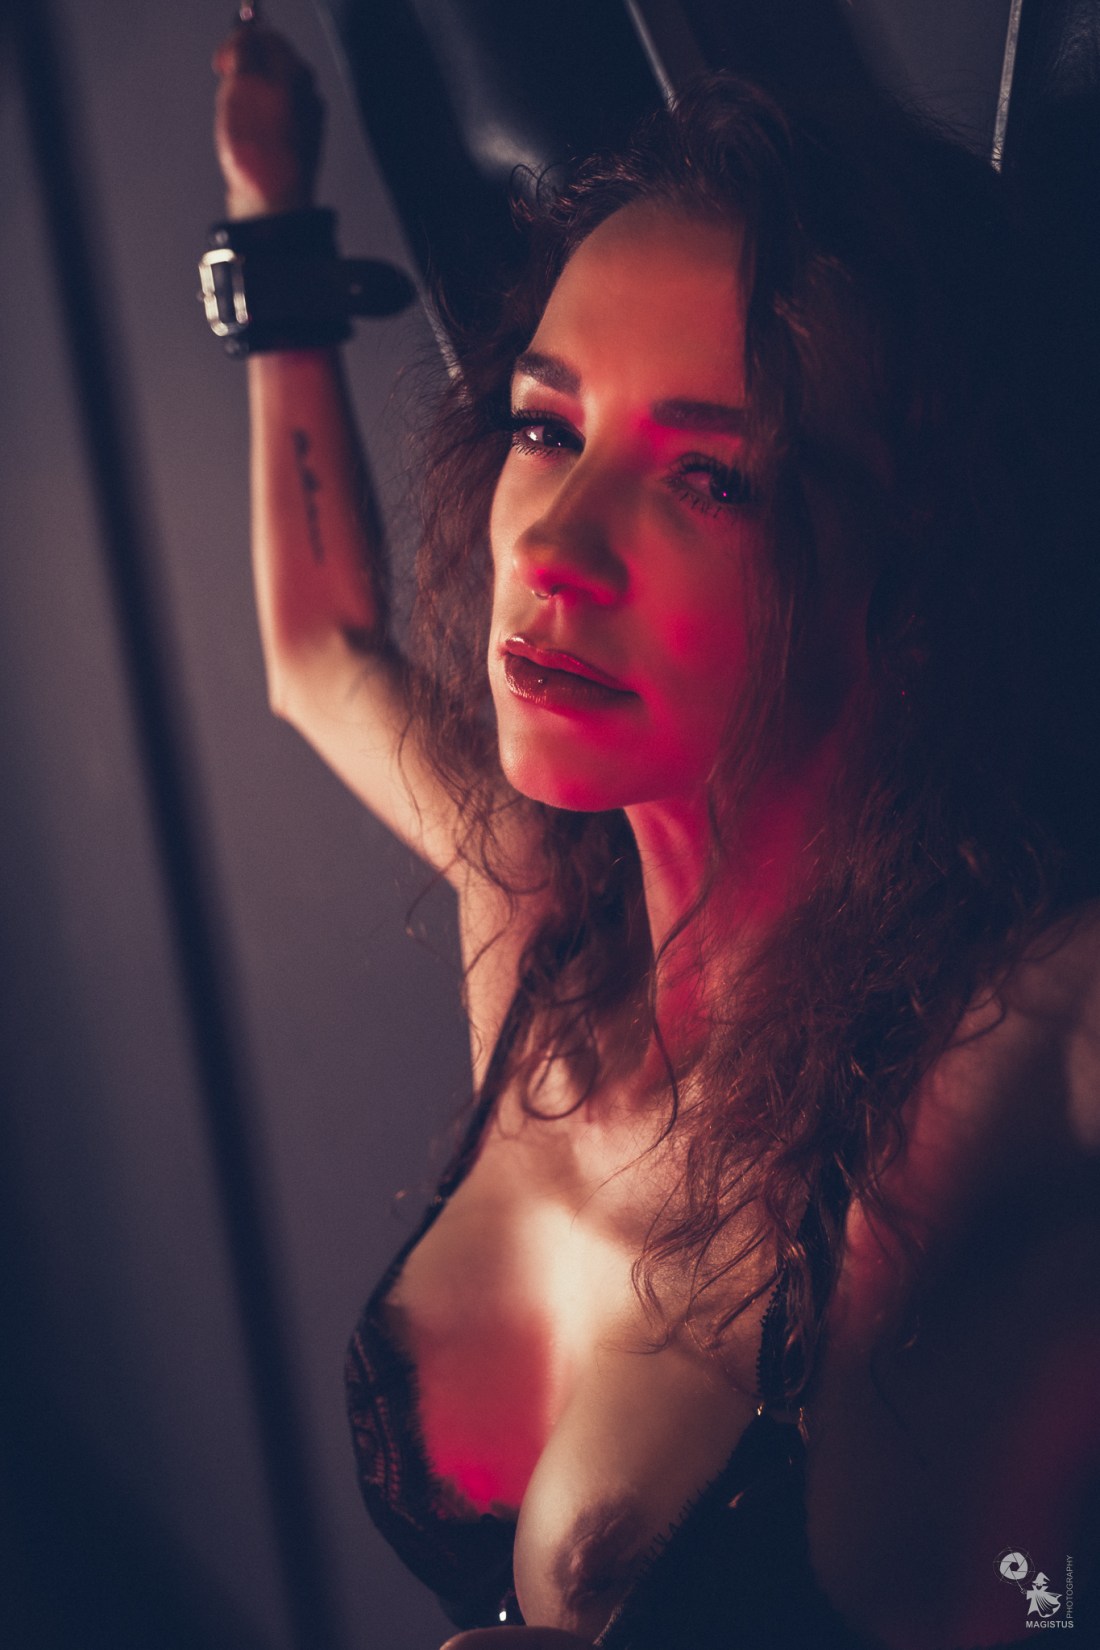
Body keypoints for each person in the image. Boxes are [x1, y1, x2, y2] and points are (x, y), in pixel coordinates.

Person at [211, 18, 1100, 1649]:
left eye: (710, 478)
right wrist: (267, 200)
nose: (554, 542)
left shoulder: (1013, 1039)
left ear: (917, 572)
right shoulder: (538, 903)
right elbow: (318, 653)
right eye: (547, 428)